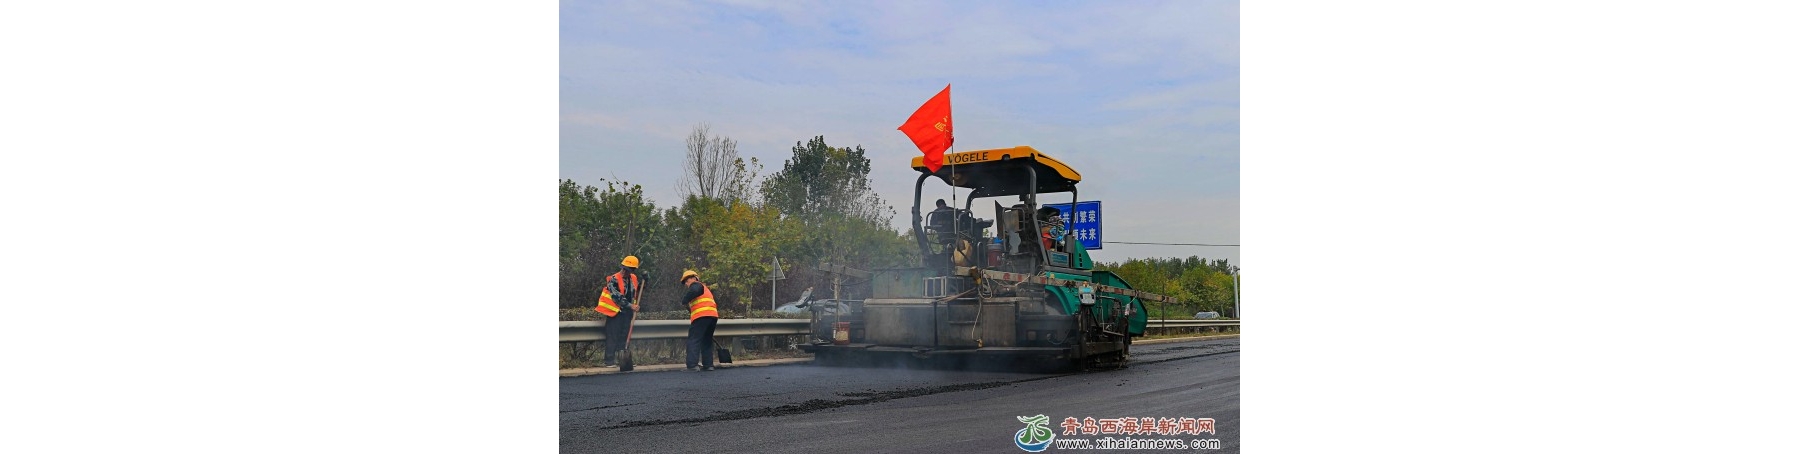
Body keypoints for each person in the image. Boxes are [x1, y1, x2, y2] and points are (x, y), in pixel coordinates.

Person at [596, 256, 641, 367]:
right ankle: (609, 361)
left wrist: (645, 281)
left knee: (624, 336)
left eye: (631, 270)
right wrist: (631, 306)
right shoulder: (613, 279)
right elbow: (617, 297)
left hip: (627, 313)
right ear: (623, 267)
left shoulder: (633, 278)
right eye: (626, 269)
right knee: (612, 336)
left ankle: (623, 360)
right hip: (615, 313)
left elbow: (637, 290)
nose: (627, 272)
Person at [678, 270, 720, 371]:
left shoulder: (696, 285)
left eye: (686, 281)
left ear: (693, 278)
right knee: (706, 341)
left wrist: (684, 300)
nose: (687, 284)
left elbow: (694, 291)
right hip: (712, 316)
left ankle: (692, 365)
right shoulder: (705, 289)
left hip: (701, 316)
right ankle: (708, 365)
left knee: (694, 340)